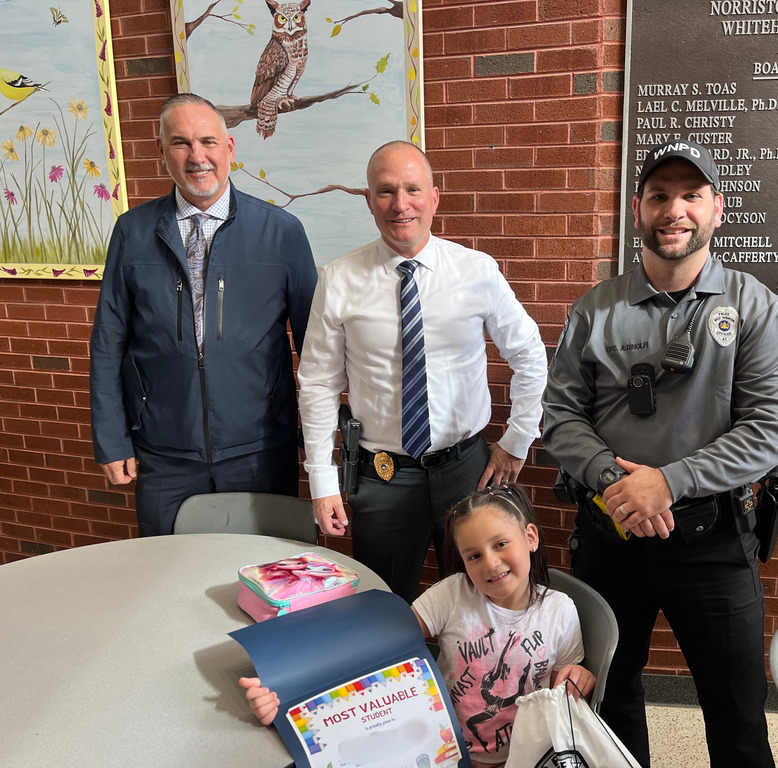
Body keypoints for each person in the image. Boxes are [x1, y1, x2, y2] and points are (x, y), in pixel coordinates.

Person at [542, 139, 778, 768]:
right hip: (611, 540)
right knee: (608, 704)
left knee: (737, 718)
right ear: (638, 210)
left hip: (714, 546)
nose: (673, 210)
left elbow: (769, 429)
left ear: (717, 209)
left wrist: (670, 482)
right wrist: (615, 483)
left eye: (691, 195)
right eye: (659, 196)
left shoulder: (754, 307)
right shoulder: (595, 310)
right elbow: (561, 416)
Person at [296, 140, 547, 603]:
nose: (400, 204)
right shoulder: (338, 279)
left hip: (468, 470)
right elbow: (317, 385)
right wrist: (322, 481)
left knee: (484, 603)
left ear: (434, 197)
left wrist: (516, 442)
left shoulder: (476, 271)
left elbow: (530, 355)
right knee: (383, 604)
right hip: (383, 477)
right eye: (386, 191)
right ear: (369, 201)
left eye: (413, 189)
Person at [89, 93, 318, 536]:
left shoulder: (281, 232)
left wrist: (316, 440)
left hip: (260, 448)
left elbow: (315, 349)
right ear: (162, 152)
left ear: (230, 147)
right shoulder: (132, 232)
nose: (197, 157)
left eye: (208, 142)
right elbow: (107, 343)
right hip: (163, 452)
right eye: (181, 143)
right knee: (168, 580)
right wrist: (111, 439)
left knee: (266, 578)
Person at [241, 483, 596, 768]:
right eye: (473, 555)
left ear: (530, 538)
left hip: (527, 756)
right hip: (442, 749)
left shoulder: (560, 611)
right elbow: (372, 645)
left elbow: (567, 681)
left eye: (501, 544)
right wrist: (285, 683)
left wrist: (580, 679)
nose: (490, 564)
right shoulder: (453, 595)